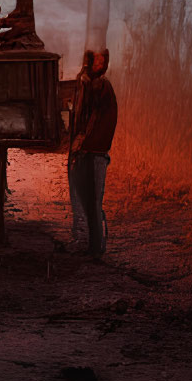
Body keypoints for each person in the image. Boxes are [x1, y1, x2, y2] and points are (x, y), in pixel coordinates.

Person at [67, 48, 117, 258]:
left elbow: (94, 118)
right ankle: (85, 243)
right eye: (95, 59)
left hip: (94, 152)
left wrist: (82, 142)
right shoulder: (86, 84)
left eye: (101, 60)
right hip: (85, 151)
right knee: (80, 197)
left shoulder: (100, 86)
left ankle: (95, 248)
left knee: (93, 200)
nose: (98, 63)